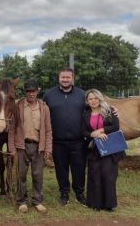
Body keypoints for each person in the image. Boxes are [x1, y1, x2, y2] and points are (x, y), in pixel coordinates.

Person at [43, 67, 87, 206]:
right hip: (58, 141)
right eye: (63, 77)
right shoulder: (49, 95)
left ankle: (79, 193)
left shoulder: (82, 94)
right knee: (60, 169)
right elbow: (42, 114)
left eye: (68, 77)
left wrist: (112, 110)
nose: (65, 80)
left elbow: (95, 109)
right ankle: (64, 193)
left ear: (73, 78)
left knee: (79, 168)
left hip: (78, 141)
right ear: (59, 78)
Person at [11, 79, 52, 213]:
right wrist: (12, 148)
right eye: (28, 91)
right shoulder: (18, 106)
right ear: (25, 92)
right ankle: (22, 201)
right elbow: (12, 128)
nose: (31, 94)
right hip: (22, 146)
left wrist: (48, 148)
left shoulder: (44, 107)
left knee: (38, 174)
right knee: (21, 174)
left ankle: (37, 200)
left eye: (33, 91)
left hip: (38, 146)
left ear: (37, 91)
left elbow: (48, 129)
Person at [82, 89, 124, 212]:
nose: (93, 101)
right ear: (87, 101)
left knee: (108, 175)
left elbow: (115, 127)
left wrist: (100, 131)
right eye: (90, 99)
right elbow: (83, 131)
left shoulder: (109, 111)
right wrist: (93, 134)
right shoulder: (85, 114)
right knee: (94, 175)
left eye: (95, 98)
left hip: (110, 148)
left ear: (100, 99)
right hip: (94, 149)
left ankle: (109, 204)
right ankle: (95, 204)